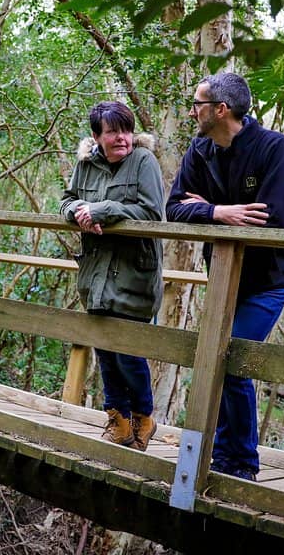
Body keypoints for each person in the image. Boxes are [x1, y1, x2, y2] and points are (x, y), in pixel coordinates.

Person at [166, 72, 284, 480]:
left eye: (198, 104)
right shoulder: (199, 149)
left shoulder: (272, 147)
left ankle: (241, 463)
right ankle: (221, 455)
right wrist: (219, 212)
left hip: (268, 280)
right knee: (216, 358)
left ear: (220, 110)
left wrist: (212, 206)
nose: (192, 111)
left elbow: (272, 218)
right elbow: (174, 207)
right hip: (224, 277)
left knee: (232, 357)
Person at [60, 101, 164, 452]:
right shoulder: (85, 164)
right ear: (97, 136)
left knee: (129, 354)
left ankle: (144, 418)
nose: (121, 138)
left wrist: (103, 210)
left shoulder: (144, 161)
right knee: (105, 351)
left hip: (134, 273)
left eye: (126, 130)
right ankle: (118, 422)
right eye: (112, 132)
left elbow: (152, 212)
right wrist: (77, 211)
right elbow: (67, 200)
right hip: (97, 274)